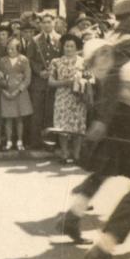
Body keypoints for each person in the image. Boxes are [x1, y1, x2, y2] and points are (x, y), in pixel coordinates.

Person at [57, 0, 130, 259]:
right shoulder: (127, 44)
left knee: (105, 171)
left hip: (119, 119)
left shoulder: (117, 42)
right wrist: (102, 120)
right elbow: (114, 82)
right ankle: (104, 246)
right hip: (125, 120)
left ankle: (73, 216)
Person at [48, 34, 87, 164]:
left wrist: (81, 82)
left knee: (77, 126)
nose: (69, 48)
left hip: (78, 97)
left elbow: (90, 79)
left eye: (71, 46)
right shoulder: (56, 62)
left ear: (76, 47)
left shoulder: (83, 62)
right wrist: (66, 82)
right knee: (62, 126)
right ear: (62, 47)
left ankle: (77, 155)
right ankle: (64, 154)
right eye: (66, 46)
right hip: (62, 97)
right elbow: (51, 82)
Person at [27, 14, 61, 149]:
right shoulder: (34, 40)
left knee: (51, 112)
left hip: (54, 81)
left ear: (54, 23)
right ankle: (35, 142)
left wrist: (52, 72)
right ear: (40, 25)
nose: (46, 25)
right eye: (44, 23)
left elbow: (62, 58)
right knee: (37, 112)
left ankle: (50, 143)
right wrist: (40, 71)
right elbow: (30, 59)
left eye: (49, 22)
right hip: (39, 81)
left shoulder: (60, 39)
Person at [0, 38, 33, 151]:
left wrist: (19, 90)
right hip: (7, 91)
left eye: (12, 48)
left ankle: (19, 141)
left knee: (19, 118)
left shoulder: (24, 60)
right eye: (8, 48)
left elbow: (27, 78)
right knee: (8, 118)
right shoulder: (2, 60)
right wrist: (4, 90)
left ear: (18, 49)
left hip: (20, 93)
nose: (10, 51)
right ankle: (8, 142)